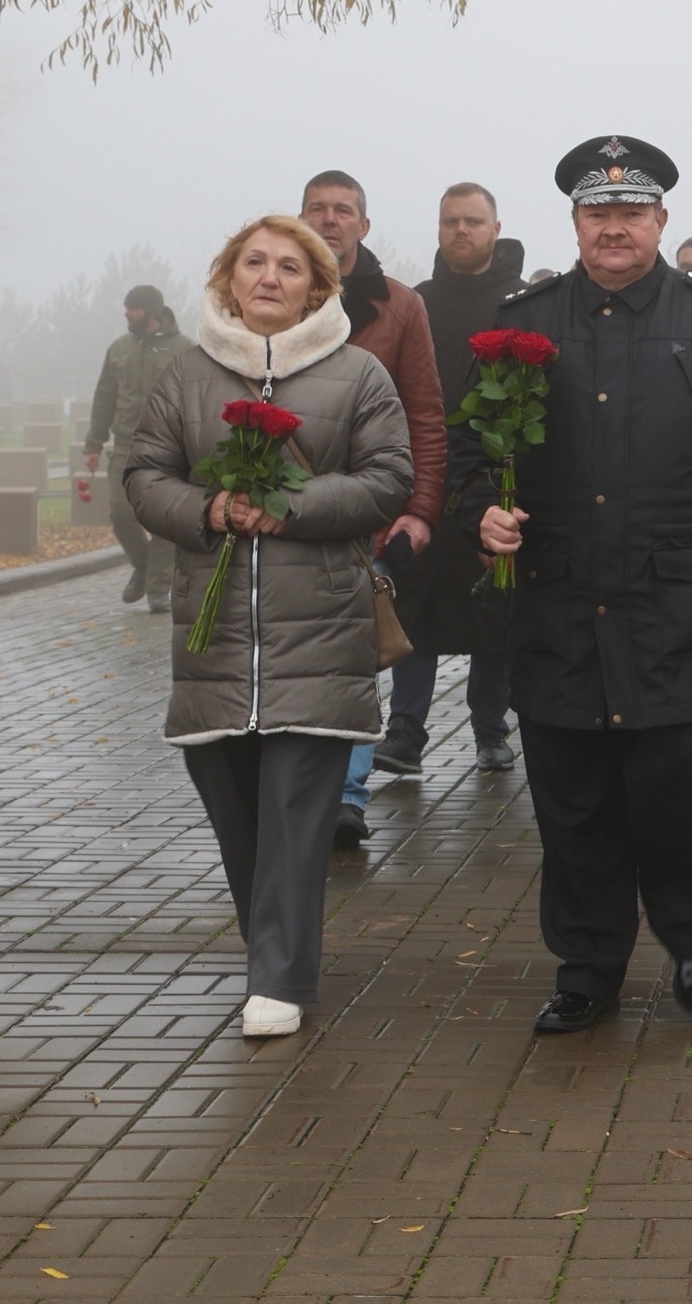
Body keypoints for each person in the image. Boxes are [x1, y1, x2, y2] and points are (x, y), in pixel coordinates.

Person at [461, 136, 692, 1035]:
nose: (613, 228)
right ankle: (589, 965)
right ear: (575, 223)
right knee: (573, 803)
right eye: (597, 213)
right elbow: (474, 455)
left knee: (677, 796)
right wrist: (481, 515)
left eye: (631, 213)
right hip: (561, 604)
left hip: (679, 610)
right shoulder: (525, 321)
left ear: (661, 222)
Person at [126, 215, 413, 1038]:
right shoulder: (186, 376)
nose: (269, 277)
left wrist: (289, 507)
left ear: (317, 287)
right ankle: (272, 953)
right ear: (227, 277)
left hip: (318, 629)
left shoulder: (357, 374)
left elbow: (390, 476)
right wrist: (209, 507)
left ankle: (279, 977)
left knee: (296, 808)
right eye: (254, 262)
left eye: (291, 267)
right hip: (214, 643)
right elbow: (145, 472)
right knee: (237, 813)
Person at [299, 171, 447, 848]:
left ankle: (346, 797)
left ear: (364, 225)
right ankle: (295, 788)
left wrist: (419, 508)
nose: (331, 220)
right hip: (284, 507)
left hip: (371, 509)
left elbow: (424, 411)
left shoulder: (400, 307)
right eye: (318, 210)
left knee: (357, 655)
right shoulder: (270, 290)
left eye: (344, 211)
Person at [409, 182, 526, 779]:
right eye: (451, 220)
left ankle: (490, 728)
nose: (461, 230)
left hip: (496, 467)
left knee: (494, 608)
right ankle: (405, 732)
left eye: (473, 220)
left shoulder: (523, 301)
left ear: (495, 228)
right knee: (418, 600)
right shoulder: (417, 302)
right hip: (427, 466)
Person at [83, 285, 193, 613]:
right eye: (127, 307)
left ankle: (159, 588)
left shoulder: (186, 351)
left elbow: (196, 401)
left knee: (161, 519)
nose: (127, 313)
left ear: (152, 312)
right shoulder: (119, 349)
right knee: (120, 512)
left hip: (168, 447)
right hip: (125, 445)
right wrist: (93, 443)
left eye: (133, 308)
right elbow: (104, 398)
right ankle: (143, 565)